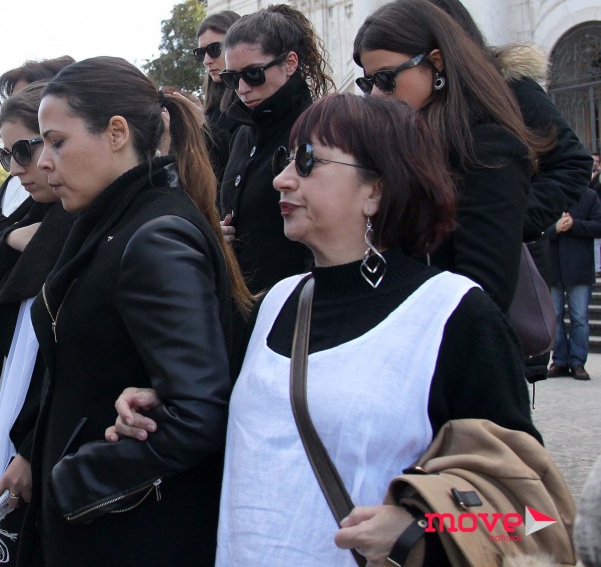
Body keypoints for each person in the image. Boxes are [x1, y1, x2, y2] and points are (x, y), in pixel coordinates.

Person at [107, 93, 540, 566]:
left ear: (375, 191)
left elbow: (528, 513)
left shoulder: (454, 314)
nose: (281, 178)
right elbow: (261, 435)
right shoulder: (277, 302)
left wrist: (419, 529)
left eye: (308, 161)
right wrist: (164, 406)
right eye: (286, 158)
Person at [0, 56, 250, 567]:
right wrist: (35, 454)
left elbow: (199, 413)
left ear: (115, 133)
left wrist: (75, 480)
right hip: (94, 524)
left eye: (57, 142)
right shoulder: (112, 222)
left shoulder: (155, 237)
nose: (43, 162)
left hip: (128, 533)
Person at [426, 0, 593, 381]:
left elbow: (572, 163)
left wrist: (507, 219)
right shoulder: (410, 100)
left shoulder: (508, 87)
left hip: (502, 276)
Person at [0, 66, 75, 567]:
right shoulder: (23, 214)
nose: (19, 167)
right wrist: (8, 242)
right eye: (7, 155)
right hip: (3, 403)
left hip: (45, 434)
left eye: (25, 150)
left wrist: (28, 446)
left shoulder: (79, 221)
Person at [353, 0, 541, 313]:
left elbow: (483, 291)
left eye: (385, 78)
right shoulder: (396, 146)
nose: (376, 94)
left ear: (436, 63)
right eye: (368, 82)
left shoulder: (487, 147)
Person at [218, 5, 334, 297]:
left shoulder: (319, 130)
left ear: (290, 63)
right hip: (241, 304)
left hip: (298, 304)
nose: (242, 88)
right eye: (232, 78)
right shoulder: (242, 135)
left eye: (253, 74)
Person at [0, 57, 75, 277]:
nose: (15, 169)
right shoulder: (9, 190)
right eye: (8, 155)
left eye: (36, 96)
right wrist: (8, 239)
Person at [547, 189, 601, 381]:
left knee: (580, 317)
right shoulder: (550, 193)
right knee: (554, 317)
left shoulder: (590, 196)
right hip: (554, 267)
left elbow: (598, 226)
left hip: (579, 268)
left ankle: (578, 362)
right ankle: (559, 360)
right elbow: (535, 227)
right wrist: (555, 228)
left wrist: (574, 224)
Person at [194, 10, 241, 181]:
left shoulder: (250, 100)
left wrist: (204, 127)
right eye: (201, 53)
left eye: (214, 49)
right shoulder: (212, 106)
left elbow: (236, 160)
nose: (206, 60)